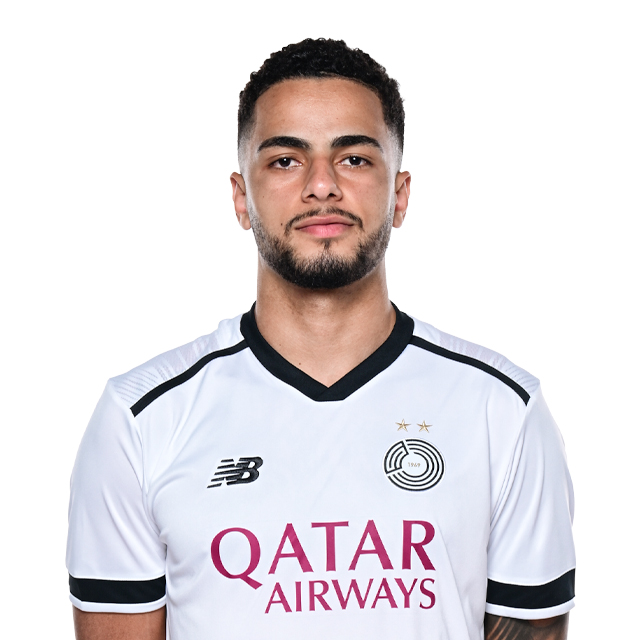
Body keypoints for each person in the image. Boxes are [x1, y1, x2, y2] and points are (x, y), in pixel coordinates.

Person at [67, 39, 575, 640]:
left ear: (400, 195)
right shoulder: (141, 419)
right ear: (241, 198)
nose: (321, 186)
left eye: (353, 158)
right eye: (286, 160)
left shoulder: (503, 411)